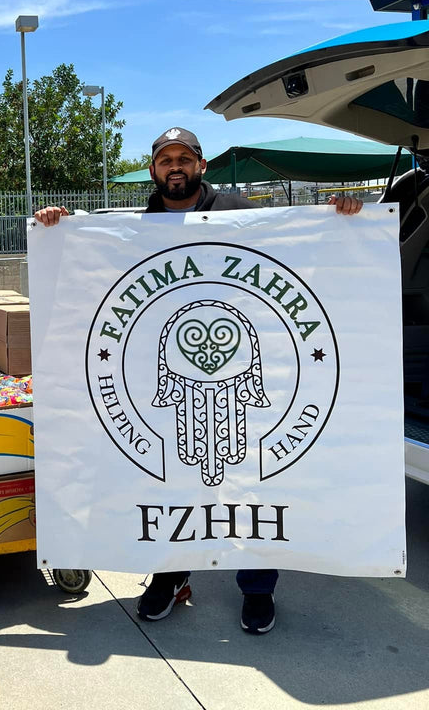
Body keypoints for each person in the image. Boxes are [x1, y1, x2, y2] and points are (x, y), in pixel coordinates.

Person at [34, 126, 363, 634]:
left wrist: (339, 217)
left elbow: (296, 242)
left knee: (251, 487)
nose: (175, 167)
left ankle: (258, 588)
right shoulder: (135, 227)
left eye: (184, 158)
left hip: (241, 370)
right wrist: (57, 227)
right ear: (153, 169)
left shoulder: (237, 211)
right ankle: (170, 576)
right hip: (165, 374)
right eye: (166, 159)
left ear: (201, 165)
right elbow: (91, 265)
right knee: (168, 483)